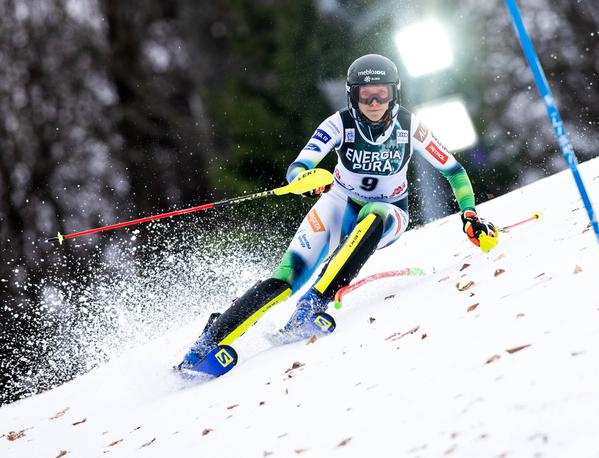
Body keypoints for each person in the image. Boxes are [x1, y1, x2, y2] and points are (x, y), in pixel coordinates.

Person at [178, 54, 497, 371]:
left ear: (393, 93)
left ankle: (313, 303)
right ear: (352, 95)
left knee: (375, 212)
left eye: (381, 94)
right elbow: (300, 165)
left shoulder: (410, 127)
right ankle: (208, 341)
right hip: (339, 203)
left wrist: (469, 214)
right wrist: (303, 179)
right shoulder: (339, 124)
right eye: (364, 94)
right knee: (285, 279)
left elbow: (454, 171)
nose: (373, 102)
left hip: (391, 211)